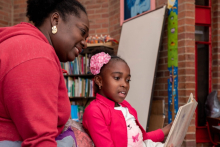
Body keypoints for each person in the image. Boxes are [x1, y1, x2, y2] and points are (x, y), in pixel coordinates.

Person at [0, 0, 89, 146]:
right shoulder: (35, 54)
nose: (85, 43)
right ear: (55, 20)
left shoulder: (27, 47)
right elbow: (40, 140)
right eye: (82, 31)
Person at [83, 52, 173, 147]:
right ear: (99, 80)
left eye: (127, 80)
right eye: (117, 78)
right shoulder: (94, 111)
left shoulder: (126, 106)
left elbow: (141, 139)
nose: (124, 84)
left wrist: (169, 128)